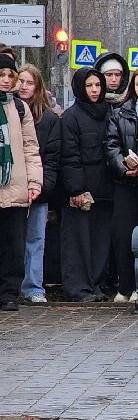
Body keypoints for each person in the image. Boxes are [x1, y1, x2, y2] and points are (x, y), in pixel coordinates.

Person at [59, 66, 116, 302]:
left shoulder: (109, 112)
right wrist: (76, 188)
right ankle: (78, 288)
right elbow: (69, 155)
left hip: (106, 187)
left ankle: (96, 284)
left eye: (98, 85)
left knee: (100, 240)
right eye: (89, 85)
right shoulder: (71, 117)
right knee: (78, 241)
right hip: (81, 191)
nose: (94, 90)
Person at [105, 66, 138, 303]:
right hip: (124, 182)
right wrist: (122, 165)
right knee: (123, 234)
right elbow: (111, 145)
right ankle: (125, 286)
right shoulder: (120, 113)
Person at [0, 54, 42, 312]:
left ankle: (8, 293)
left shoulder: (19, 108)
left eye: (10, 75)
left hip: (14, 185)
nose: (6, 80)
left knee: (13, 245)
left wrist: (34, 182)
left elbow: (30, 148)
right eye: (1, 75)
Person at [15, 64, 60, 304]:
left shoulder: (48, 119)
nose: (24, 87)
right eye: (20, 81)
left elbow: (52, 157)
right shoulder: (8, 112)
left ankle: (33, 286)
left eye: (29, 83)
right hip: (11, 188)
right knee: (12, 239)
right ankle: (10, 286)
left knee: (35, 239)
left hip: (38, 188)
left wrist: (44, 186)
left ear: (38, 87)